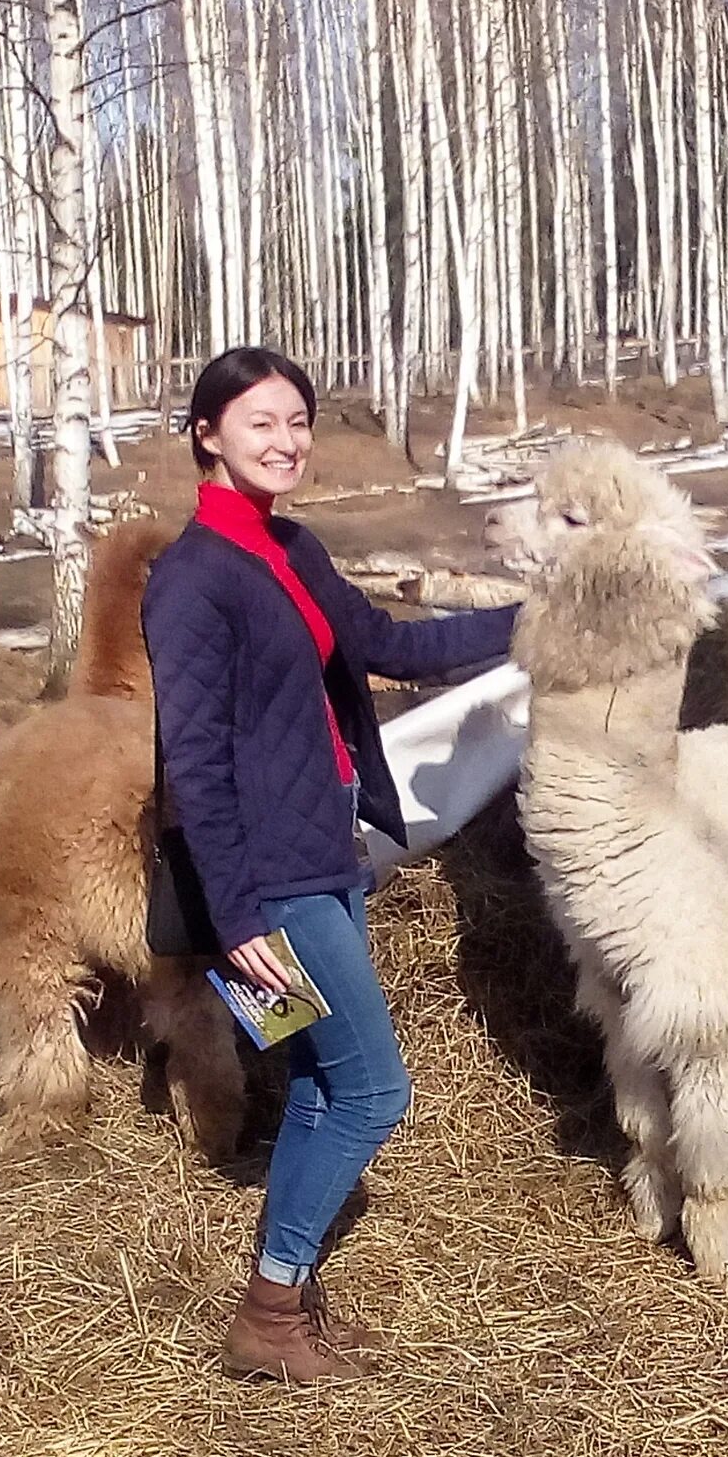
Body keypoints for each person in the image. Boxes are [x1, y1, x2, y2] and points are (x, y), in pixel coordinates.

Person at [142, 346, 518, 1384]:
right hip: (267, 888)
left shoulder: (290, 547)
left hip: (327, 855)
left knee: (315, 1073)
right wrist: (238, 913)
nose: (287, 440)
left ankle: (282, 1304)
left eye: (298, 420)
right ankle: (268, 1308)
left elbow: (390, 644)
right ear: (207, 434)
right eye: (261, 422)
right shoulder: (193, 579)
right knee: (371, 1090)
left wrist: (544, 622)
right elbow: (196, 763)